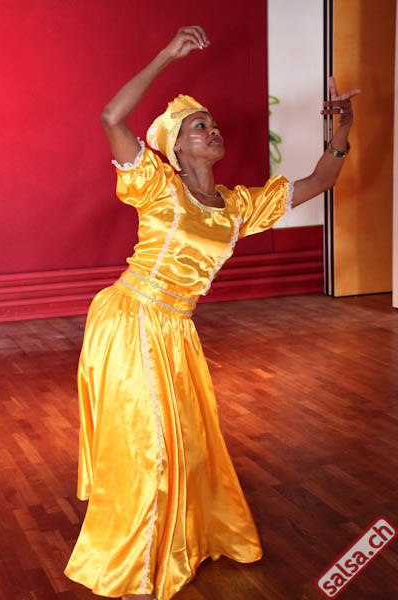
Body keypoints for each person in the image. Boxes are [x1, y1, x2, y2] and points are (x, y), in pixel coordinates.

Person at [63, 25, 360, 600]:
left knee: (187, 442)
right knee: (150, 440)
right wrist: (166, 55)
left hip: (176, 329)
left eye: (213, 124)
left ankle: (178, 539)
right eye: (198, 125)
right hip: (132, 318)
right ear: (175, 146)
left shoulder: (236, 207)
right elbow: (110, 118)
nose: (212, 129)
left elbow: (322, 179)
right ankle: (132, 566)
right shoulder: (157, 186)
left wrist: (342, 132)